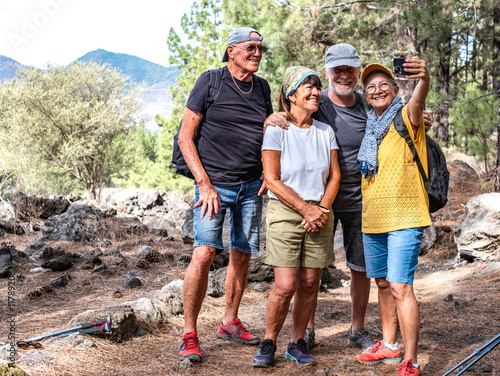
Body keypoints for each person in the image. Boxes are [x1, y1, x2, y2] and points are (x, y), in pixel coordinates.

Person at [264, 43, 377, 350]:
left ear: (357, 71)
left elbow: (400, 115)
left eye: (349, 69)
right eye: (337, 70)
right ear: (328, 72)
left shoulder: (369, 104)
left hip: (356, 199)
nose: (344, 75)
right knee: (308, 274)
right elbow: (285, 116)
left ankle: (357, 329)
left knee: (359, 267)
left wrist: (424, 115)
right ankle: (306, 332)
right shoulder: (316, 99)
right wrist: (269, 118)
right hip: (315, 202)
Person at [177, 27, 271, 363]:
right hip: (213, 187)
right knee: (203, 255)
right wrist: (204, 184)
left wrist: (266, 173)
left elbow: (265, 132)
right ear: (231, 50)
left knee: (242, 254)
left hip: (251, 186)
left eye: (261, 48)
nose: (257, 53)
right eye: (251, 47)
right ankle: (189, 334)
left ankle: (229, 321)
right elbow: (185, 137)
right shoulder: (210, 81)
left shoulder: (261, 87)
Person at [252, 66, 341, 368]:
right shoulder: (277, 130)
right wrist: (306, 209)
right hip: (287, 211)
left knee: (310, 282)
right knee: (286, 284)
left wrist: (321, 210)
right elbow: (272, 179)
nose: (316, 92)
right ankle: (269, 341)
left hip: (320, 211)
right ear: (291, 95)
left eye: (317, 87)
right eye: (309, 87)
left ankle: (297, 342)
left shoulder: (325, 131)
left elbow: (335, 175)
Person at [354, 59, 430, 376]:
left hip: (405, 215)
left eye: (384, 83)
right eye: (370, 86)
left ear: (396, 88)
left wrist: (424, 79)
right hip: (374, 218)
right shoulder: (369, 128)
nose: (377, 89)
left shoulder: (407, 115)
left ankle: (410, 360)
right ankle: (389, 344)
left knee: (400, 287)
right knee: (383, 284)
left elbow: (418, 101)